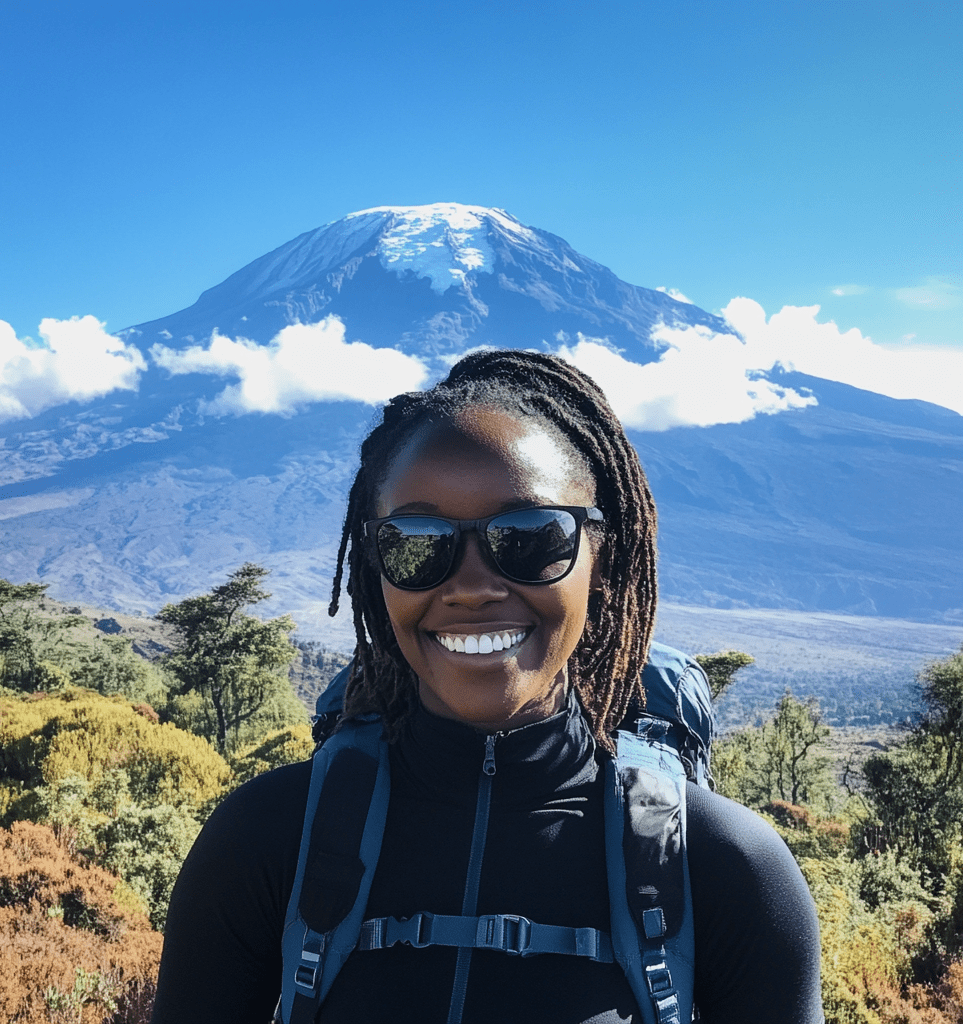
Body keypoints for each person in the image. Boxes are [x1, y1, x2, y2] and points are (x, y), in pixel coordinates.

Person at [151, 350, 824, 1024]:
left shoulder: (724, 866)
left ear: (604, 557)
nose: (471, 586)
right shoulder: (268, 839)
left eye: (530, 537)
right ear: (372, 564)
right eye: (417, 541)